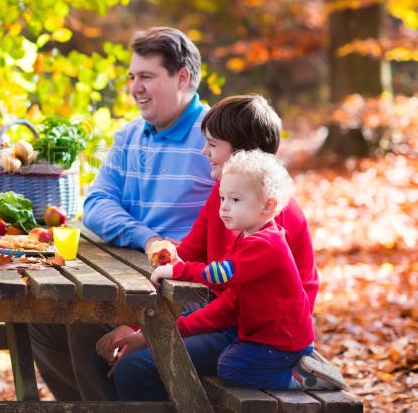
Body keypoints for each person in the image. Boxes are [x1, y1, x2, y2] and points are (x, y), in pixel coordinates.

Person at [94, 94, 342, 400]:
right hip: (229, 316)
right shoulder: (223, 199)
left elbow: (236, 301)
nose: (204, 152)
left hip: (260, 337)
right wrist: (135, 324)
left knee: (137, 366)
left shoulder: (273, 215)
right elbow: (189, 257)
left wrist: (146, 335)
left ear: (243, 153)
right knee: (97, 335)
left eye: (213, 145)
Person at [29, 27, 215, 400]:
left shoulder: (214, 135)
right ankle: (89, 404)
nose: (135, 87)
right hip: (129, 275)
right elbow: (96, 205)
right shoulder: (130, 136)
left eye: (146, 76)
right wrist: (146, 237)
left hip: (191, 287)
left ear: (182, 77)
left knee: (82, 318)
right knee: (41, 319)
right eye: (132, 77)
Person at [149, 150, 345, 391]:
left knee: (231, 367)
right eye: (222, 198)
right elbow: (233, 300)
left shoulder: (265, 244)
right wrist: (184, 325)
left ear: (268, 205)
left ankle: (300, 377)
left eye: (235, 200)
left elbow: (221, 276)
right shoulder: (251, 237)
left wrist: (178, 270)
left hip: (281, 341)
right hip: (267, 336)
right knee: (229, 357)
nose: (224, 208)